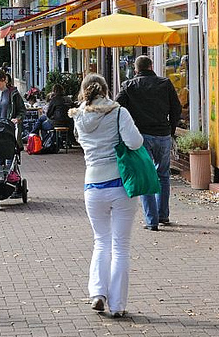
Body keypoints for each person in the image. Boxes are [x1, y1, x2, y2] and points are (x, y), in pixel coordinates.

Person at [71, 73, 145, 318]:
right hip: (121, 184)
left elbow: (81, 142)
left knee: (100, 241)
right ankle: (118, 305)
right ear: (106, 90)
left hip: (92, 185)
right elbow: (134, 142)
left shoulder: (79, 116)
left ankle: (97, 293)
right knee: (121, 246)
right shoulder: (119, 112)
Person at [115, 55, 182, 231]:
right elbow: (176, 108)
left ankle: (151, 220)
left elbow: (116, 107)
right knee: (163, 175)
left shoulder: (129, 86)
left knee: (146, 175)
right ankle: (163, 214)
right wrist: (171, 129)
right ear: (151, 66)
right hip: (163, 135)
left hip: (142, 136)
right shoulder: (165, 83)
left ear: (136, 70)